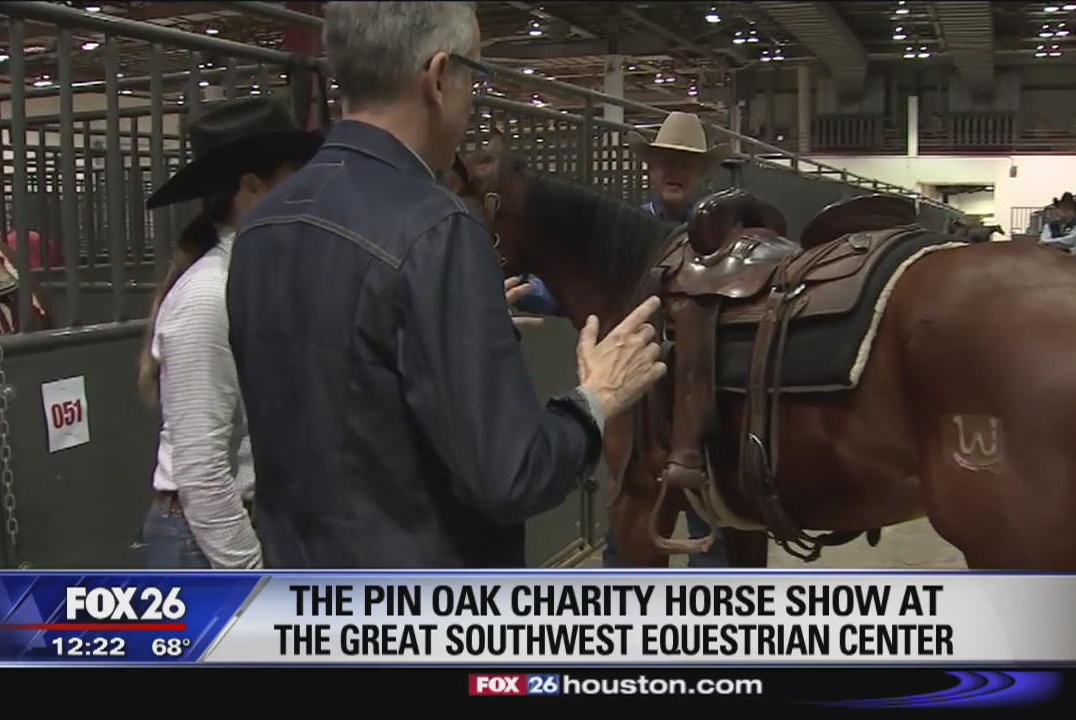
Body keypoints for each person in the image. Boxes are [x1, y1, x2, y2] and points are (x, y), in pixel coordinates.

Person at [225, 2, 666, 568]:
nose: (473, 98)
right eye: (473, 77)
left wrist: (448, 335)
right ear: (438, 78)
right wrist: (597, 399)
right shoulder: (439, 229)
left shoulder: (262, 225)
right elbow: (512, 476)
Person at [517, 111, 731, 568]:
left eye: (686, 162)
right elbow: (573, 290)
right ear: (651, 167)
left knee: (711, 527)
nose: (674, 170)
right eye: (666, 161)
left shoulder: (720, 240)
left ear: (701, 173)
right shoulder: (618, 232)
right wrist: (526, 292)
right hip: (638, 406)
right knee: (630, 519)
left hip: (698, 404)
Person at [137, 97, 322, 569]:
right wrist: (249, 580)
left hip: (227, 528)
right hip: (203, 542)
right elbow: (201, 470)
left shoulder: (251, 278)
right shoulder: (208, 296)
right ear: (254, 187)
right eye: (296, 178)